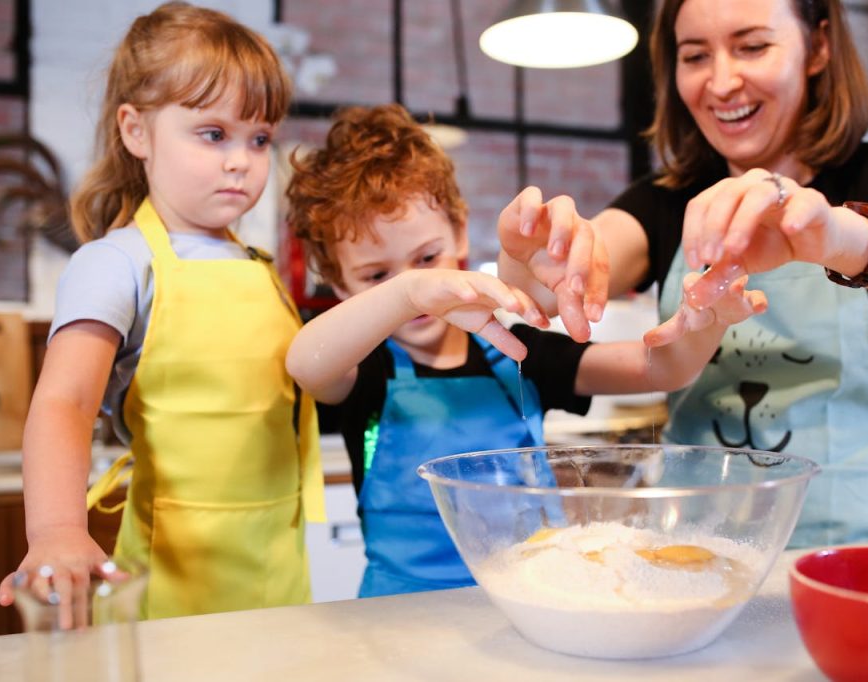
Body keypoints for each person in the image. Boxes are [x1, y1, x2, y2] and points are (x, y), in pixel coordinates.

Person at [496, 0, 868, 548]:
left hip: (862, 558)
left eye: (752, 47)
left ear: (819, 46)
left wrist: (842, 238)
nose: (721, 82)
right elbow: (549, 290)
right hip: (696, 557)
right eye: (694, 56)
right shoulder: (660, 203)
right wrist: (529, 259)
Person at [284, 103, 768, 598]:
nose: (419, 285)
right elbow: (305, 363)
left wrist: (708, 324)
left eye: (427, 259)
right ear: (340, 286)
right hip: (395, 611)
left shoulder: (517, 352)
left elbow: (664, 368)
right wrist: (406, 291)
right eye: (375, 276)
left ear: (459, 232)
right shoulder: (364, 369)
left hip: (529, 596)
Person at [0, 2, 326, 620]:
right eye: (213, 134)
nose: (241, 160)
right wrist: (54, 529)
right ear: (136, 130)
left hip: (279, 565)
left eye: (259, 139)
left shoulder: (259, 264)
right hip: (170, 575)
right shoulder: (116, 262)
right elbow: (63, 402)